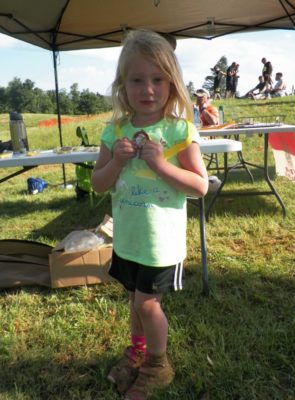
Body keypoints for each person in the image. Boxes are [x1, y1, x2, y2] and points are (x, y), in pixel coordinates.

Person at [91, 30, 208, 400]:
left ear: (171, 83)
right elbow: (98, 183)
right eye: (137, 80)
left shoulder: (178, 130)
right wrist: (117, 162)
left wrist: (160, 164)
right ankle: (139, 351)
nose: (148, 89)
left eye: (158, 79)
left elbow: (199, 186)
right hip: (129, 239)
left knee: (147, 302)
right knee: (134, 300)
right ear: (122, 86)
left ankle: (158, 365)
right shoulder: (115, 131)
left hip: (161, 242)